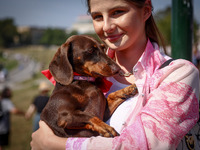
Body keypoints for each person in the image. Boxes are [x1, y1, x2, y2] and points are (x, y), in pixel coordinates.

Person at [30, 0, 199, 149]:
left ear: (146, 11)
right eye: (97, 16)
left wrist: (54, 145)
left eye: (117, 12)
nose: (106, 27)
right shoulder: (81, 76)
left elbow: (148, 145)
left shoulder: (178, 74)